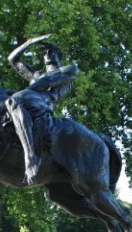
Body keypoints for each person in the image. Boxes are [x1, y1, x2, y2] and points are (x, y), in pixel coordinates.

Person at [6, 34, 78, 185]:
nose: (46, 54)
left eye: (50, 50)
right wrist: (29, 43)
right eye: (44, 52)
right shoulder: (36, 75)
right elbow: (12, 60)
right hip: (29, 97)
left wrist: (32, 86)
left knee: (14, 99)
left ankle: (31, 157)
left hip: (45, 101)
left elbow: (48, 81)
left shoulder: (69, 70)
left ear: (58, 55)